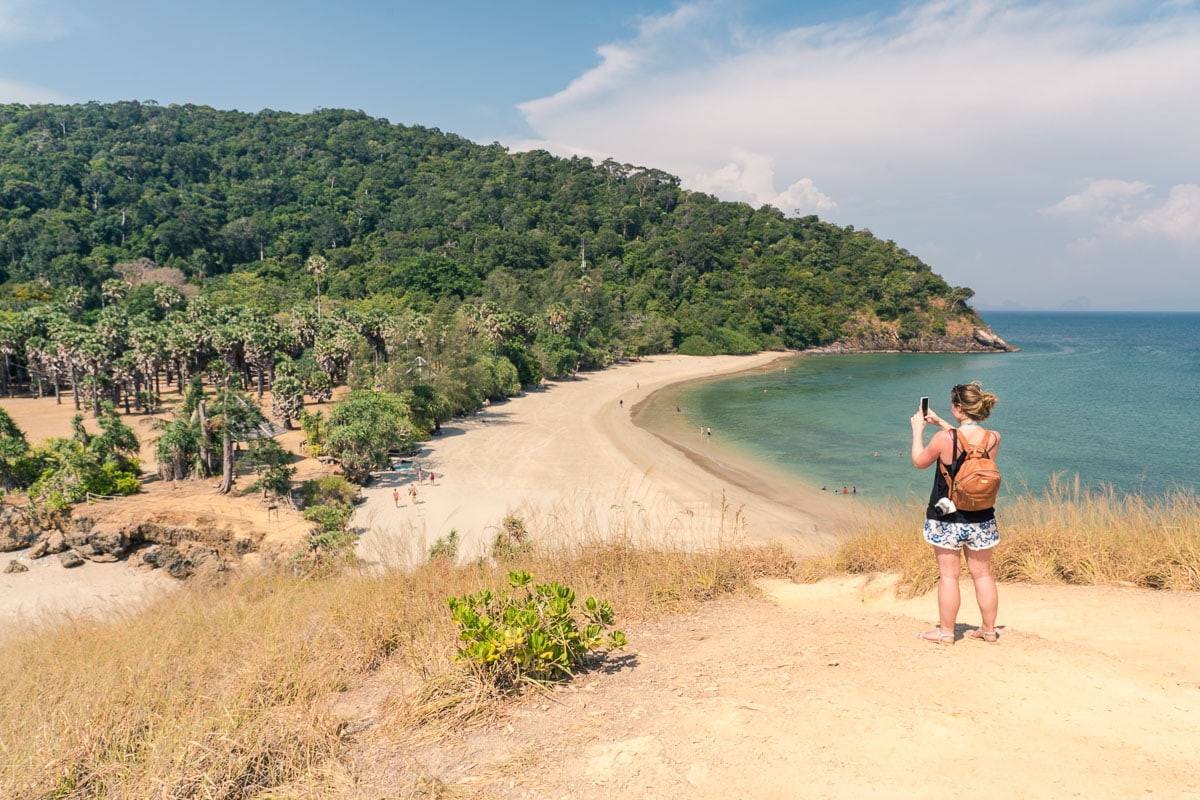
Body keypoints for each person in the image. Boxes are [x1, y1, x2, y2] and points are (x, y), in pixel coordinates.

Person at [910, 381, 1002, 645]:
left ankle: (946, 632)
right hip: (982, 516)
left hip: (946, 516)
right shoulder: (993, 438)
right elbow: (970, 447)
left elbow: (919, 462)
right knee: (982, 574)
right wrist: (941, 422)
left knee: (949, 575)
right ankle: (988, 630)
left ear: (958, 407)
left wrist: (919, 430)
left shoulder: (943, 439)